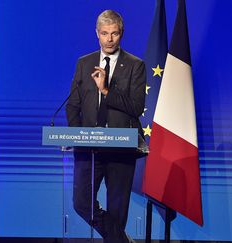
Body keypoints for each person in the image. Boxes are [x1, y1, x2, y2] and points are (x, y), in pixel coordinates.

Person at [66, 10, 146, 243]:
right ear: (97, 34)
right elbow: (73, 106)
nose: (109, 39)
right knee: (82, 203)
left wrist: (106, 90)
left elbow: (136, 108)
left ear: (121, 34)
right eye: (104, 34)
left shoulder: (135, 65)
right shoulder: (84, 63)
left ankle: (118, 237)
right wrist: (78, 135)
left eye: (114, 34)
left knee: (117, 211)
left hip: (122, 149)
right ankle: (122, 240)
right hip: (89, 149)